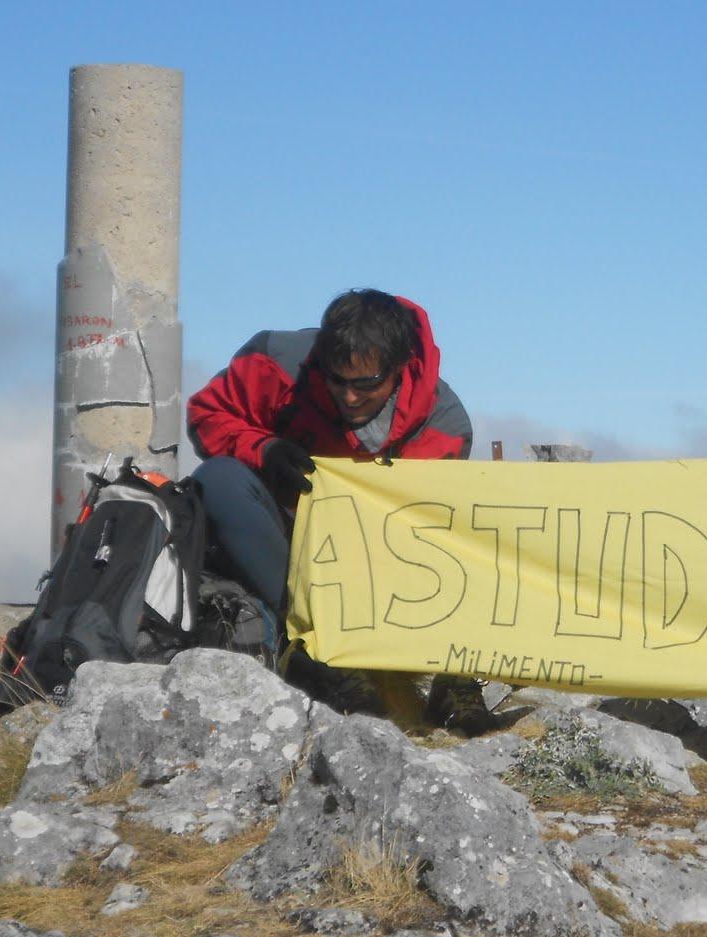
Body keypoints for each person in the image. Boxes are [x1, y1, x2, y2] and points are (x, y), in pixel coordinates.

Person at [187, 288, 493, 732]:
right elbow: (208, 414)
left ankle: (452, 675)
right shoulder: (274, 363)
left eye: (366, 385)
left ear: (400, 367)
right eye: (337, 381)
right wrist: (264, 449)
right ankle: (315, 651)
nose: (349, 397)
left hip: (383, 564)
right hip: (286, 545)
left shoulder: (444, 426)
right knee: (218, 480)